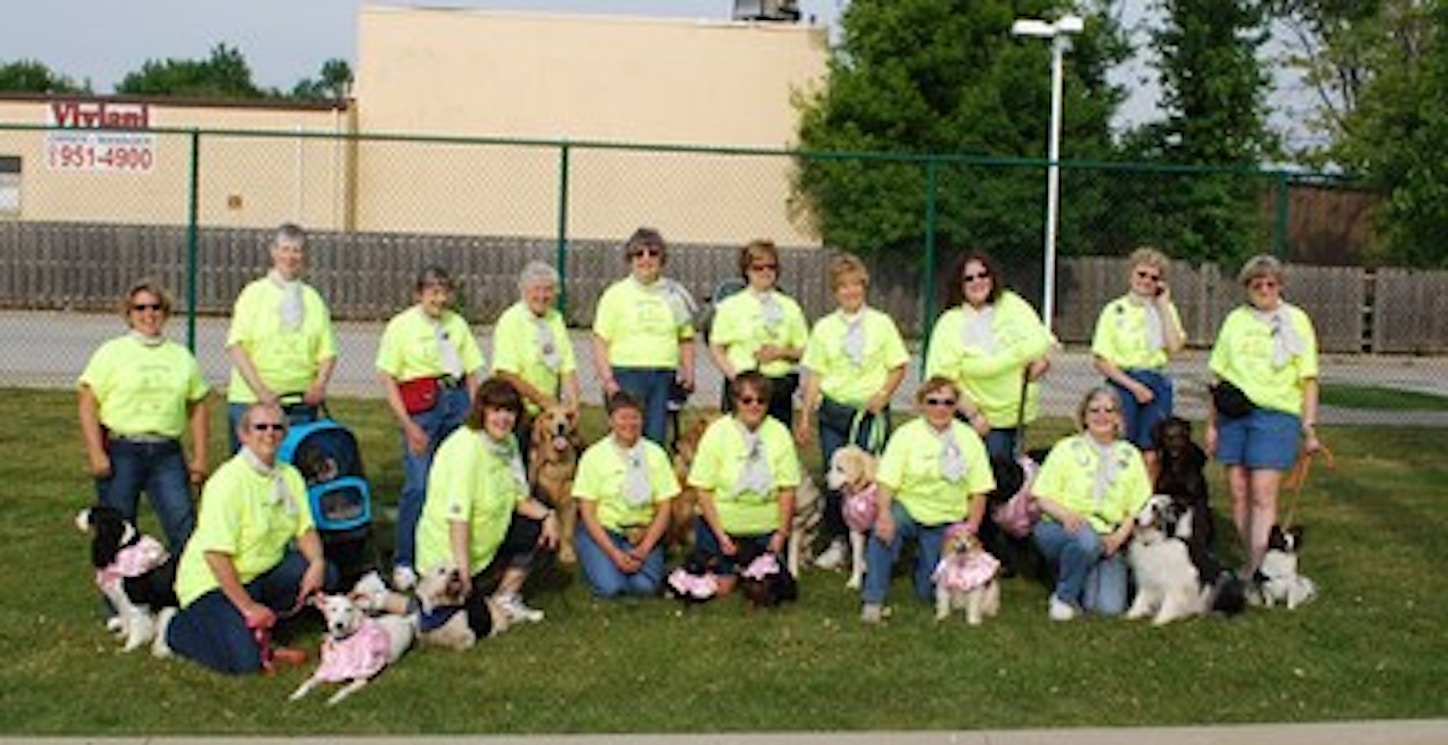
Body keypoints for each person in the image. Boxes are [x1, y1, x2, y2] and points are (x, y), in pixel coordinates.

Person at [155, 403, 335, 674]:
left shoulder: (289, 475)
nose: (269, 434)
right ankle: (174, 629)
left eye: (277, 427)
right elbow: (216, 555)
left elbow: (305, 530)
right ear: (244, 434)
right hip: (214, 582)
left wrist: (317, 562)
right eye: (260, 427)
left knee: (328, 573)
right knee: (245, 664)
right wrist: (248, 607)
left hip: (261, 573)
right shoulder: (227, 482)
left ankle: (262, 625)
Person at [1207, 254, 1321, 575]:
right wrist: (1213, 425)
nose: (1264, 289)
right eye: (1257, 284)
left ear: (1280, 286)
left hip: (1277, 414)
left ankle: (1261, 566)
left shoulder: (1297, 321)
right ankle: (1250, 560)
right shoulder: (1235, 321)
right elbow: (1217, 376)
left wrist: (1309, 427)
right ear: (1247, 287)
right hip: (1235, 412)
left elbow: (1308, 378)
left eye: (1270, 283)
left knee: (1262, 491)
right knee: (1238, 490)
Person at [796, 253, 909, 571]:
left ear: (864, 287)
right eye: (843, 287)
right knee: (837, 480)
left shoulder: (881, 324)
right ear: (835, 291)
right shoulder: (824, 328)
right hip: (834, 413)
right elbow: (816, 375)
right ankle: (839, 542)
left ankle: (878, 543)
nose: (850, 292)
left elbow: (898, 366)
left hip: (869, 415)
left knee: (871, 481)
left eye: (855, 285)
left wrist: (884, 394)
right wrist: (805, 417)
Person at [77, 279, 209, 550]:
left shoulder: (181, 356)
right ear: (129, 313)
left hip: (167, 453)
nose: (148, 314)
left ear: (165, 312)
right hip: (122, 450)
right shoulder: (112, 352)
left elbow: (197, 406)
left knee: (183, 530)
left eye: (155, 307)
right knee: (116, 533)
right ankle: (116, 592)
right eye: (140, 308)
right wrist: (95, 453)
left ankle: (187, 590)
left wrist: (200, 457)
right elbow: (88, 404)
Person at [376, 266, 486, 590]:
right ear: (419, 294)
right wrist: (408, 425)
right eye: (432, 292)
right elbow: (387, 377)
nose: (439, 299)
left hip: (456, 402)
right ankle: (405, 559)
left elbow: (472, 371)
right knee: (419, 485)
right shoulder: (401, 326)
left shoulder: (456, 324)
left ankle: (448, 557)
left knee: (455, 483)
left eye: (444, 292)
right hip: (421, 406)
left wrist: (475, 412)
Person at [414, 378, 558, 623]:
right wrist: (463, 573)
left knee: (535, 527)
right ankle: (382, 598)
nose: (504, 418)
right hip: (448, 558)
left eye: (510, 411)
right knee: (444, 622)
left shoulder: (509, 443)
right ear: (482, 412)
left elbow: (520, 498)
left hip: (485, 548)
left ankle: (506, 597)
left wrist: (549, 515)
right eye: (496, 410)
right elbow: (457, 518)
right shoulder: (466, 449)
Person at [860, 376, 994, 624]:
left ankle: (923, 574)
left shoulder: (969, 438)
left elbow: (980, 490)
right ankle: (873, 600)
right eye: (932, 402)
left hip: (948, 520)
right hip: (909, 509)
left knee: (928, 593)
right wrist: (884, 514)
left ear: (955, 407)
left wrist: (971, 528)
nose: (940, 408)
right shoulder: (905, 435)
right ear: (921, 404)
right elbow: (887, 481)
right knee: (882, 532)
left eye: (948, 402)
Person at [1031, 387, 1152, 621]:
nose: (1102, 416)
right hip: (1062, 527)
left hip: (1108, 536)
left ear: (1118, 417)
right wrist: (1066, 515)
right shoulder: (1066, 448)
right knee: (1085, 541)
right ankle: (1063, 598)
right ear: (1084, 417)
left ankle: (1075, 570)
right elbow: (1042, 497)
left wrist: (1118, 538)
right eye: (1094, 410)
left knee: (1108, 607)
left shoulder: (1131, 454)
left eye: (1109, 410)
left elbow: (1137, 507)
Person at [924, 251, 1054, 460]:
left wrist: (1043, 362)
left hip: (1016, 416)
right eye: (969, 278)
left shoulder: (1012, 304)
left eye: (983, 275)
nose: (978, 282)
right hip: (980, 421)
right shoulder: (950, 323)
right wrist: (973, 415)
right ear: (959, 284)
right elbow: (941, 379)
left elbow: (1043, 340)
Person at [224, 223, 338, 451]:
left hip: (300, 405)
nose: (290, 256)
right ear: (273, 252)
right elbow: (236, 346)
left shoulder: (312, 299)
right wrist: (261, 392)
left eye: (296, 250)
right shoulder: (254, 294)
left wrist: (319, 385)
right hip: (252, 401)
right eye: (285, 249)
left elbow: (327, 351)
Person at [688, 371, 801, 597]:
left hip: (764, 528)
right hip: (722, 527)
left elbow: (787, 489)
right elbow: (702, 489)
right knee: (722, 590)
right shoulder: (717, 432)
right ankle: (720, 568)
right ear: (736, 401)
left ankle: (755, 567)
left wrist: (781, 533)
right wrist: (721, 536)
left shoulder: (779, 433)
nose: (754, 406)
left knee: (765, 592)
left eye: (761, 400)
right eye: (747, 400)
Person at [591, 227, 696, 446]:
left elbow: (686, 338)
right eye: (639, 254)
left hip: (662, 375)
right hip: (626, 373)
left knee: (656, 439)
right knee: (626, 436)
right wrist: (608, 380)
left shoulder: (674, 295)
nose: (646, 259)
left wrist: (689, 371)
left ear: (662, 259)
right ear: (629, 260)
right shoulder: (616, 294)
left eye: (653, 253)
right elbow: (601, 340)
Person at [572, 391, 680, 598]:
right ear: (611, 421)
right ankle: (595, 560)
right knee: (611, 588)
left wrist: (646, 546)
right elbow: (587, 512)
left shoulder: (655, 454)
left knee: (644, 587)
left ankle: (624, 565)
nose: (629, 424)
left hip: (642, 533)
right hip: (605, 531)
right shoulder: (594, 456)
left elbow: (665, 507)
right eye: (623, 417)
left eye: (635, 417)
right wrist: (613, 553)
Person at [1091, 246, 1186, 476]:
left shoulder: (1165, 310)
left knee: (1151, 450)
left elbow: (1174, 346)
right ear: (1131, 274)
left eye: (1154, 278)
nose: (1146, 281)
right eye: (1142, 275)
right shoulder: (1114, 310)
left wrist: (1162, 305)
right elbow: (1101, 360)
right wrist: (1133, 387)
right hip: (1124, 380)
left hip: (1155, 379)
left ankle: (1145, 503)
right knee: (1121, 445)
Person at [707, 239, 809, 428]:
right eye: (758, 267)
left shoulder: (789, 306)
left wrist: (781, 353)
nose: (765, 272)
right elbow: (717, 347)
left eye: (771, 266)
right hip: (742, 387)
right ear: (747, 270)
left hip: (778, 387)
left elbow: (804, 350)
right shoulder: (731, 306)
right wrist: (736, 378)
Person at [490, 260, 581, 445]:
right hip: (517, 410)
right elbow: (505, 372)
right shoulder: (511, 320)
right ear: (523, 291)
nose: (542, 295)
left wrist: (574, 404)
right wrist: (541, 400)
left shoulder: (556, 318)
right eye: (536, 289)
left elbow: (567, 365)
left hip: (549, 412)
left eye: (548, 289)